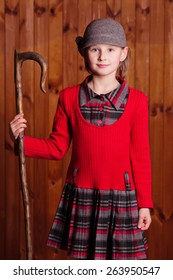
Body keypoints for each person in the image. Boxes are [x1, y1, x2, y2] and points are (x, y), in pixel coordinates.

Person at [10, 18, 153, 260]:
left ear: (123, 54)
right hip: (82, 196)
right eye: (95, 48)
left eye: (110, 49)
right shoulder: (69, 98)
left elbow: (141, 158)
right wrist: (19, 140)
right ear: (84, 53)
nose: (102, 56)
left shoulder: (137, 101)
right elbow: (56, 148)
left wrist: (145, 203)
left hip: (122, 200)